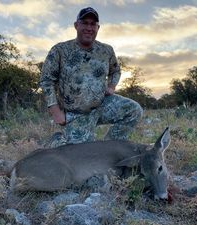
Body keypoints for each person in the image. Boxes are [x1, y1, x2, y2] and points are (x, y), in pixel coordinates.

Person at [40, 7, 143, 147]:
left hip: (102, 106)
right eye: (85, 23)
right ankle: (58, 141)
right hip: (76, 114)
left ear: (98, 27)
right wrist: (55, 111)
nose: (89, 27)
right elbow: (47, 80)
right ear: (76, 25)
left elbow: (115, 70)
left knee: (134, 110)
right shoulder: (60, 50)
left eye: (93, 24)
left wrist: (112, 86)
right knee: (78, 155)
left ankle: (107, 148)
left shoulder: (106, 50)